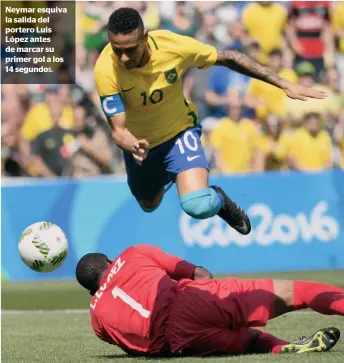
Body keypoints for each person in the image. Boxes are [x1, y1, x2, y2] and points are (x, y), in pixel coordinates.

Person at [94, 7, 327, 236]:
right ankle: (170, 174)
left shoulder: (174, 46)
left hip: (179, 132)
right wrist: (132, 143)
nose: (123, 58)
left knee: (198, 204)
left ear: (145, 37)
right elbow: (118, 130)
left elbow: (229, 58)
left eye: (131, 50)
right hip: (140, 146)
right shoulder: (106, 69)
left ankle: (219, 201)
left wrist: (284, 83)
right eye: (117, 50)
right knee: (148, 204)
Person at [76, 244, 343, 357]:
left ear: (91, 289)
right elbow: (199, 274)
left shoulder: (95, 316)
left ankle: (282, 348)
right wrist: (211, 302)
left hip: (179, 344)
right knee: (294, 292)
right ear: (109, 261)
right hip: (189, 303)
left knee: (250, 340)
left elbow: (133, 346)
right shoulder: (131, 254)